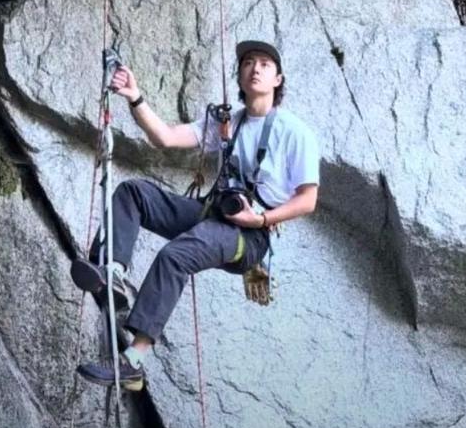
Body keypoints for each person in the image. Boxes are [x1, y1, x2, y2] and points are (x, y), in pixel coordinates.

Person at [74, 40, 320, 390]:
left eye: (265, 64)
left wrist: (261, 220)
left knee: (177, 255)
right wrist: (135, 97)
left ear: (278, 79)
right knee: (134, 193)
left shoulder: (295, 132)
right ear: (240, 75)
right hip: (213, 213)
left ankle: (134, 362)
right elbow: (164, 137)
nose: (255, 68)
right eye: (248, 62)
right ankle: (112, 272)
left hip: (249, 234)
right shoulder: (227, 122)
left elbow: (308, 199)